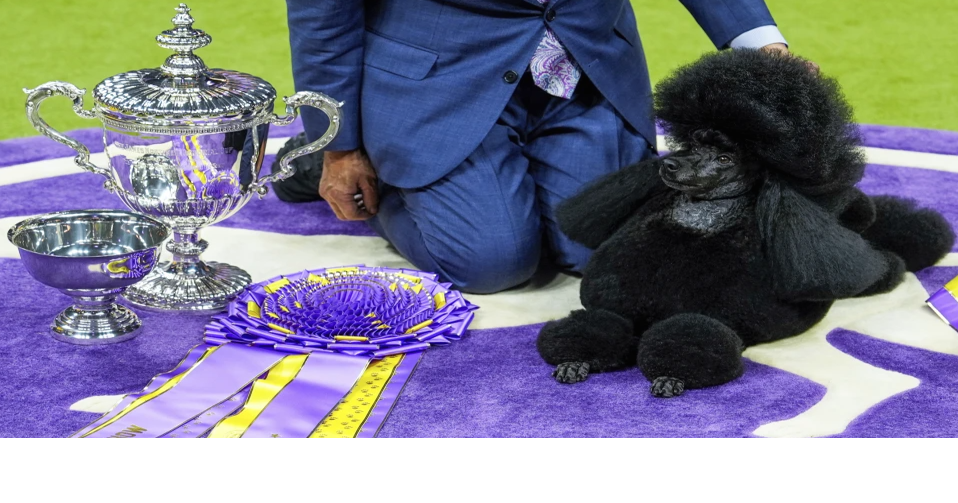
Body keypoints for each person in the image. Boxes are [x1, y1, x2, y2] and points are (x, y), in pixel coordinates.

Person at [278, 0, 817, 294]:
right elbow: (322, 13)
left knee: (599, 251)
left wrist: (763, 47)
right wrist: (340, 144)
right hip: (441, 80)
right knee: (492, 263)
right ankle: (350, 159)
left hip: (586, 71)